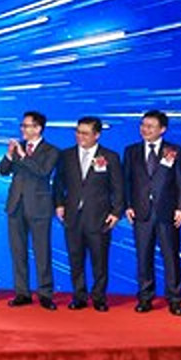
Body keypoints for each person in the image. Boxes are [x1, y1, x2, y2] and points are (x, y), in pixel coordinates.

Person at [123, 110, 181, 316]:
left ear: (162, 129)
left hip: (167, 212)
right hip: (141, 212)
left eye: (150, 126)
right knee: (143, 257)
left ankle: (175, 300)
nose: (145, 129)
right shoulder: (131, 151)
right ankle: (145, 298)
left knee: (171, 257)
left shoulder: (174, 151)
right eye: (143, 125)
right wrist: (127, 205)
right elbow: (126, 181)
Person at [53, 116, 124, 312]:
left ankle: (99, 297)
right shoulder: (66, 155)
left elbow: (118, 188)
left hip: (99, 217)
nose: (80, 136)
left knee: (99, 260)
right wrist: (59, 204)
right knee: (75, 259)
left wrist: (116, 212)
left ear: (97, 135)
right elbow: (58, 183)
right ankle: (79, 296)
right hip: (72, 216)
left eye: (85, 133)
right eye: (78, 132)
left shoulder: (110, 157)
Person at [0, 110, 60, 310]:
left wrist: (24, 156)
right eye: (22, 126)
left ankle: (45, 294)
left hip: (39, 207)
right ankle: (22, 292)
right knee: (18, 251)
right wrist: (9, 155)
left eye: (26, 126)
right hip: (16, 205)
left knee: (42, 252)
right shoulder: (18, 147)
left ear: (38, 128)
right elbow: (3, 170)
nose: (22, 129)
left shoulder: (51, 150)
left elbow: (43, 171)